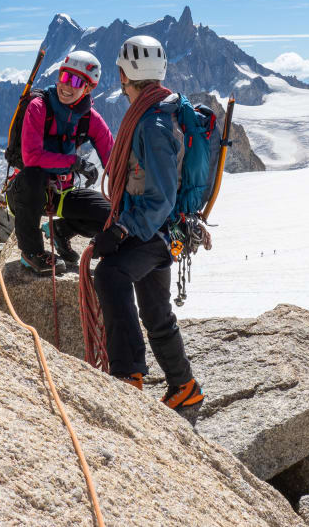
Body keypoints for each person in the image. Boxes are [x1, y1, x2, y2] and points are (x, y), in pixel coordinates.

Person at [92, 35, 204, 410]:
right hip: (164, 229)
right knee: (156, 310)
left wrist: (122, 229)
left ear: (125, 73)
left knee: (110, 275)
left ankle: (128, 377)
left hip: (153, 229)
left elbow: (160, 197)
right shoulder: (162, 110)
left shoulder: (152, 123)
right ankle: (183, 385)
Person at [7, 51, 114, 275]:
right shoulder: (38, 107)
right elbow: (32, 158)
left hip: (61, 194)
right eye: (64, 77)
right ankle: (32, 252)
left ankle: (61, 230)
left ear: (88, 88)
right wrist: (74, 162)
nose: (67, 86)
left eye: (76, 81)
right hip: (25, 193)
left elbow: (112, 158)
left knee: (111, 216)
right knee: (33, 175)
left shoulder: (90, 119)